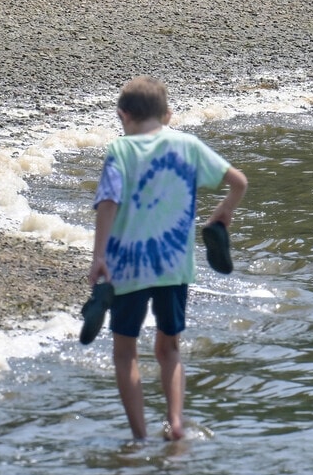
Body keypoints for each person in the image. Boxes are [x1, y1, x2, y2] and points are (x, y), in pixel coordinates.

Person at [87, 77, 248, 441]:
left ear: (122, 115)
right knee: (169, 349)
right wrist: (223, 213)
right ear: (168, 115)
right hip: (174, 268)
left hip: (127, 269)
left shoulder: (121, 151)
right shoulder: (187, 145)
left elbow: (108, 203)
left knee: (125, 351)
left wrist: (99, 256)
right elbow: (239, 181)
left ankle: (139, 436)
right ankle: (175, 423)